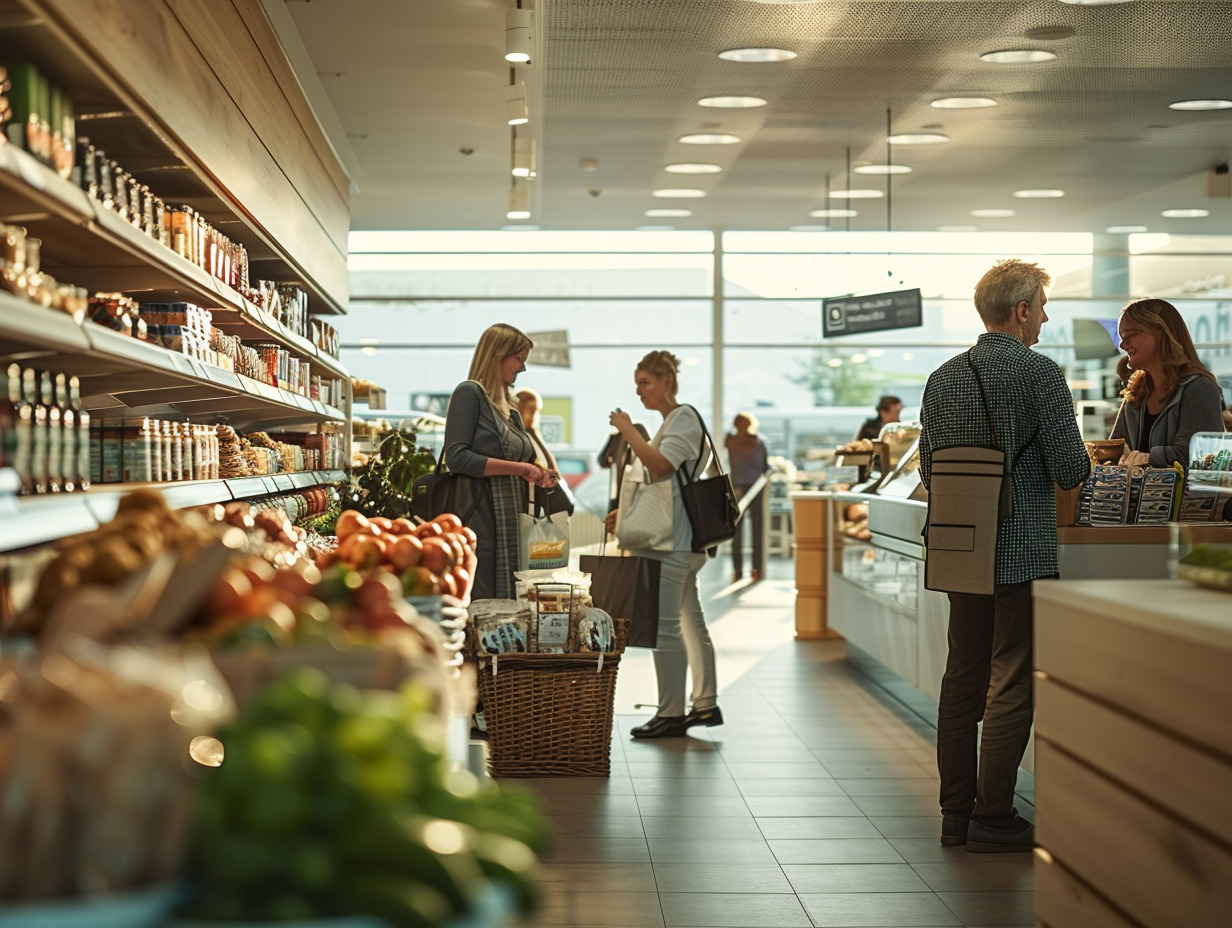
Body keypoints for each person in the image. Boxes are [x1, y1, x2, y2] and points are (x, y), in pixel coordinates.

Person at [918, 259, 1090, 853]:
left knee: (962, 678)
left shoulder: (943, 377)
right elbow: (1072, 469)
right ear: (1020, 311)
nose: (1044, 316)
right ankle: (995, 814)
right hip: (1021, 549)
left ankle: (953, 813)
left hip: (961, 549)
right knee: (1012, 679)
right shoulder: (1040, 374)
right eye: (1041, 306)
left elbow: (926, 466)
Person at [604, 350, 722, 739]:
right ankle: (704, 703)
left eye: (645, 382)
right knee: (690, 621)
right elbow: (662, 485)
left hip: (675, 541)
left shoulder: (683, 418)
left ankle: (671, 712)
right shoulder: (672, 422)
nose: (639, 391)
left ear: (667, 382)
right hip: (679, 539)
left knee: (666, 627)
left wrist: (628, 429)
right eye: (637, 383)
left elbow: (660, 468)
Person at [443, 324, 557, 600]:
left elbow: (524, 458)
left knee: (510, 599)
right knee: (484, 599)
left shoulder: (510, 410)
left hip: (510, 520)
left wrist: (539, 473)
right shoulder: (469, 394)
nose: (523, 369)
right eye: (518, 359)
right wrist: (519, 468)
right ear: (497, 355)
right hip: (479, 517)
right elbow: (456, 457)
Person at [1110, 298, 1225, 467]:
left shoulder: (1199, 388)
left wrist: (1147, 457)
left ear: (1162, 333)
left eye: (1130, 335)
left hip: (1185, 494)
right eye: (1122, 337)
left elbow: (1203, 456)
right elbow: (1116, 447)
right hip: (1141, 493)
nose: (1123, 345)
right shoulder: (1136, 392)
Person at [725, 412, 769, 583]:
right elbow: (765, 467)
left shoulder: (730, 441)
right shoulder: (760, 442)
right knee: (758, 530)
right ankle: (757, 570)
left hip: (736, 488)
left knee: (736, 532)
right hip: (757, 488)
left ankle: (737, 571)